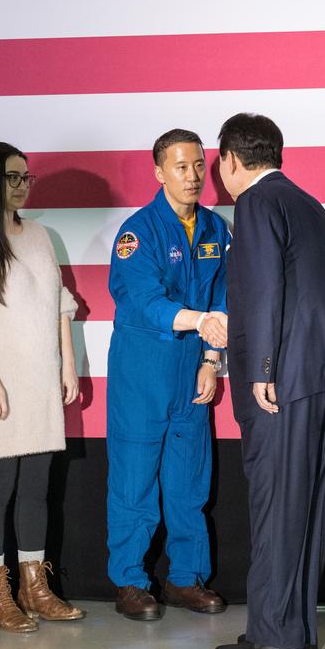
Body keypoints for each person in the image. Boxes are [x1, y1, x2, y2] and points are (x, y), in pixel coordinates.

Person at [212, 113, 325, 649]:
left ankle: (274, 634)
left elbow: (264, 289)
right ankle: (292, 629)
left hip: (286, 379)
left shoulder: (254, 203)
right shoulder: (307, 202)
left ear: (229, 158)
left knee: (276, 502)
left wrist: (263, 369)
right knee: (308, 505)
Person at [0, 142, 85, 632]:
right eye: (12, 177)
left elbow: (60, 305)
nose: (22, 185)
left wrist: (68, 365)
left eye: (27, 177)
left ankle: (34, 587)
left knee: (36, 490)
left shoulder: (40, 235)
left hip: (40, 382)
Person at [105, 128, 230, 621]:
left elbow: (221, 296)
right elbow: (145, 301)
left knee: (188, 480)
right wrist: (199, 322)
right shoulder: (138, 232)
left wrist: (210, 360)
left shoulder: (217, 230)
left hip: (190, 371)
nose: (193, 176)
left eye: (199, 165)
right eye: (181, 166)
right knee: (134, 480)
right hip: (143, 370)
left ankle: (185, 577)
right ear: (158, 172)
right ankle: (131, 581)